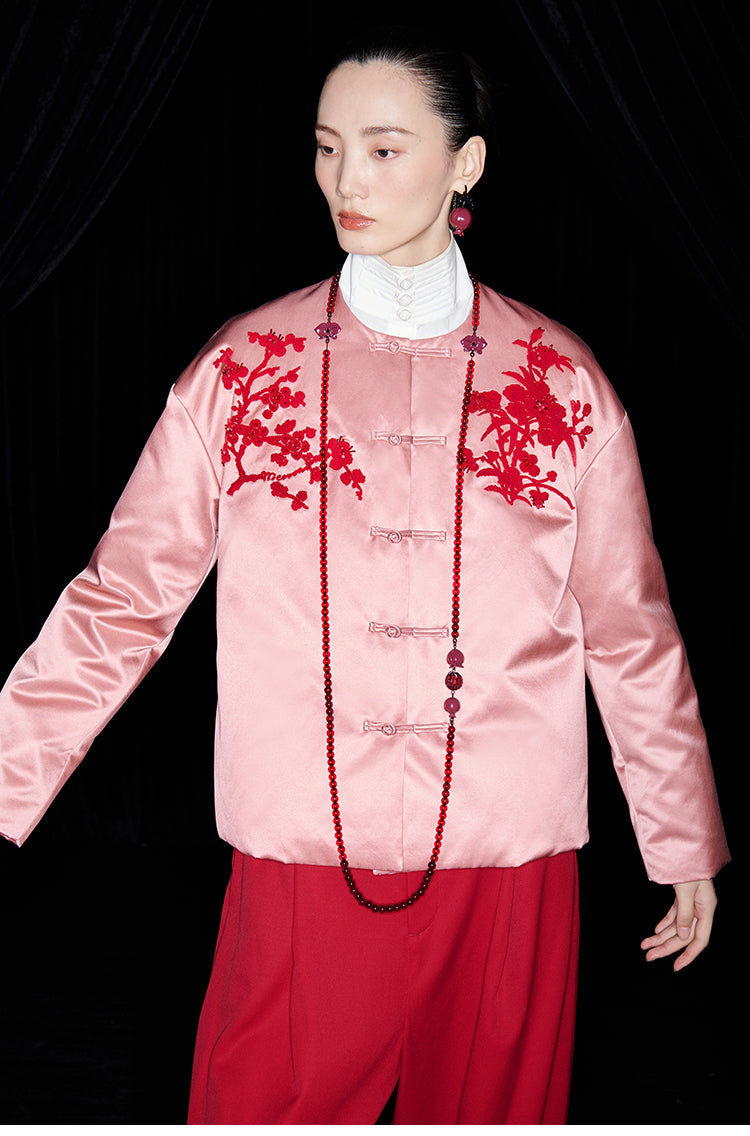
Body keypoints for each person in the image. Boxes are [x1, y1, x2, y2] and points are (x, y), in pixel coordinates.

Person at [0, 27, 730, 1125]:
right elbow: (122, 601)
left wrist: (682, 837)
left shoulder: (564, 383)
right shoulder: (241, 372)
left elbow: (630, 626)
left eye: (384, 149)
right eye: (327, 146)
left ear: (465, 163)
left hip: (509, 861)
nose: (346, 179)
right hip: (300, 853)